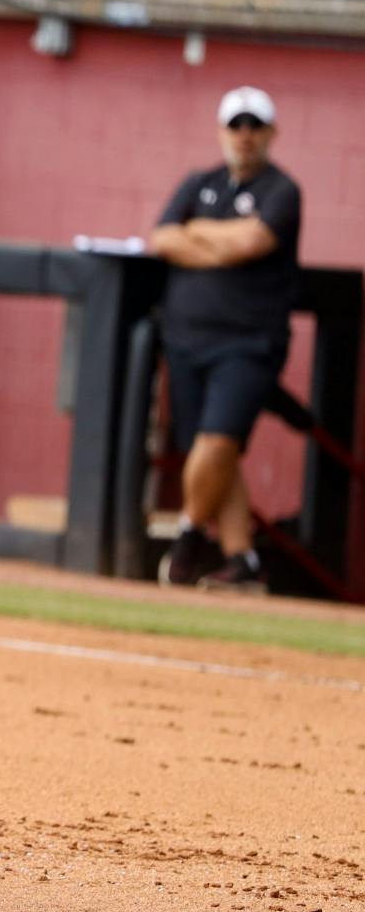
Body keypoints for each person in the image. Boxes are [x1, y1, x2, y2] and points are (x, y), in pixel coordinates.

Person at [149, 86, 303, 593]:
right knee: (216, 452)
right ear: (221, 132)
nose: (244, 136)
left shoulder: (283, 190)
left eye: (254, 126)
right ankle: (243, 561)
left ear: (271, 133)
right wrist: (223, 240)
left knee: (217, 442)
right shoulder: (200, 181)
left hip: (248, 343)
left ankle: (190, 534)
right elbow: (162, 238)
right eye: (235, 126)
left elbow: (253, 242)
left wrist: (199, 232)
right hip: (187, 338)